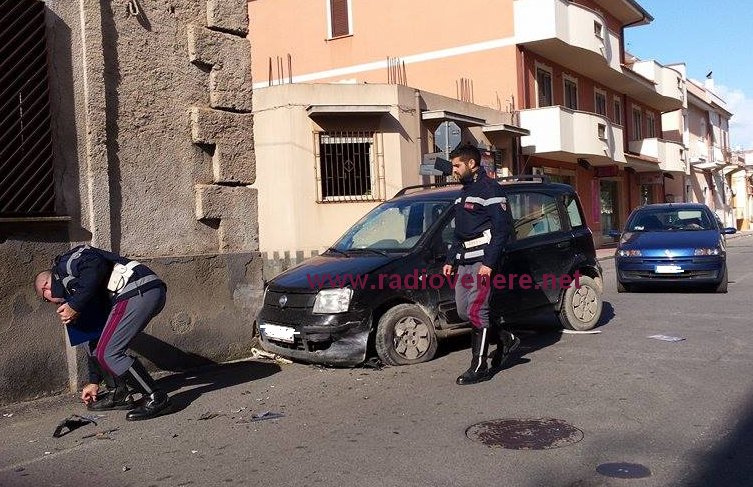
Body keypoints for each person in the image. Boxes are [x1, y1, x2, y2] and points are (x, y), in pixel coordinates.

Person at [34, 244, 172, 420]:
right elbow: (91, 339)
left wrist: (75, 305)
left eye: (49, 301)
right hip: (140, 292)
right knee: (103, 349)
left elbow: (95, 263)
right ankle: (118, 393)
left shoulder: (65, 264)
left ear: (46, 286)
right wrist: (93, 381)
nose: (56, 305)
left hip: (137, 288)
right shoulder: (79, 294)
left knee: (110, 352)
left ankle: (156, 398)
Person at [442, 144, 519, 385]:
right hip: (464, 261)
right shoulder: (464, 191)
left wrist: (489, 262)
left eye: (457, 165)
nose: (453, 170)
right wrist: (451, 258)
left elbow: (502, 229)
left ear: (471, 164)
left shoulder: (490, 190)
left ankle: (479, 365)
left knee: (478, 310)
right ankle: (505, 338)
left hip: (483, 261)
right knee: (465, 311)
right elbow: (459, 232)